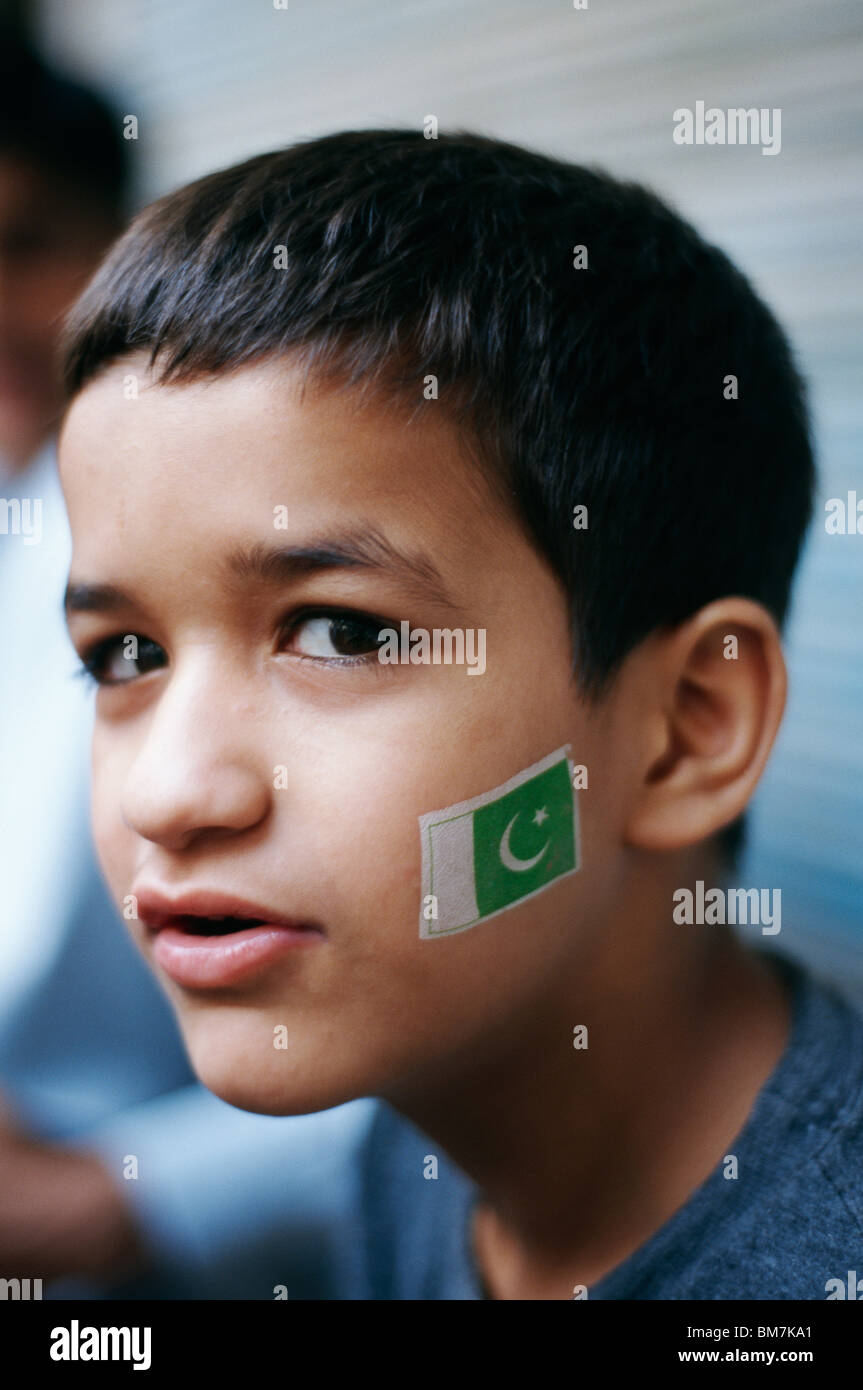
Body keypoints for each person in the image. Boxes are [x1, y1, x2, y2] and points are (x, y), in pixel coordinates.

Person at [56, 128, 863, 1300]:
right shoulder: (413, 1132)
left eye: (341, 631)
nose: (168, 792)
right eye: (125, 654)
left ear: (687, 727)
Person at [0, 40, 372, 1300]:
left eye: (19, 248)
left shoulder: (273, 484)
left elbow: (543, 992)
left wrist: (118, 1199)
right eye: (121, 656)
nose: (176, 794)